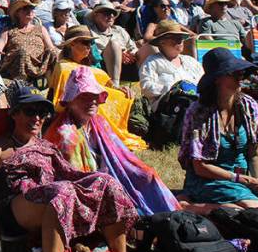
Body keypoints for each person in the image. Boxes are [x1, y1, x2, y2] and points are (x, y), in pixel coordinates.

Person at [0, 83, 154, 252]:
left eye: (42, 113)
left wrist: (94, 184)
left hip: (53, 198)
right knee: (61, 192)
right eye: (30, 111)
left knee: (107, 183)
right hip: (15, 206)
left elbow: (67, 173)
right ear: (15, 113)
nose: (37, 118)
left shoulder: (46, 146)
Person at [44, 66, 179, 216]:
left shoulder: (98, 122)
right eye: (84, 97)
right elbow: (75, 177)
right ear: (70, 101)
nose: (92, 102)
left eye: (95, 96)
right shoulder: (65, 134)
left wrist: (139, 172)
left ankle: (168, 215)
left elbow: (121, 156)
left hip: (108, 176)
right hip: (88, 188)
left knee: (147, 176)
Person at [179, 48, 258, 213]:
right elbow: (200, 167)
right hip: (209, 180)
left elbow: (254, 154)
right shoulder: (199, 112)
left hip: (245, 181)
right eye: (234, 73)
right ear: (217, 79)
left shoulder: (249, 106)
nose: (241, 76)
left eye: (241, 72)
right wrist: (243, 180)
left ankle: (210, 209)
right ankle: (193, 207)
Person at [48, 25, 144, 150]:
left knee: (123, 96)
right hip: (78, 111)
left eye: (91, 42)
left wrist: (119, 90)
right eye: (85, 42)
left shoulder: (91, 68)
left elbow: (106, 83)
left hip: (92, 106)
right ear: (72, 44)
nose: (89, 46)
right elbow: (67, 95)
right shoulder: (64, 67)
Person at [138, 20, 204, 111]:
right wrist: (172, 90)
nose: (180, 40)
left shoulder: (191, 61)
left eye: (181, 37)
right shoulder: (153, 62)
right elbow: (146, 87)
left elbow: (203, 82)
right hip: (169, 111)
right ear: (161, 42)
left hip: (196, 105)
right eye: (174, 37)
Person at [0, 0, 58, 86]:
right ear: (17, 13)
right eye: (25, 8)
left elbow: (50, 47)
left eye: (31, 8)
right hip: (16, 63)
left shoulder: (41, 29)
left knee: (53, 52)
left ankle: (53, 87)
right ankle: (21, 85)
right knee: (23, 52)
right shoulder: (9, 31)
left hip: (38, 64)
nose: (29, 11)